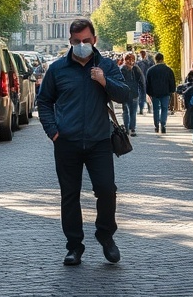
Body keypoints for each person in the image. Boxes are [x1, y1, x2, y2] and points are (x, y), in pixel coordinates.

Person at [37, 18, 130, 266]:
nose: (81, 45)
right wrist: (53, 131)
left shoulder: (107, 65)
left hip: (100, 141)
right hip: (67, 141)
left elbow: (124, 95)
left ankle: (105, 234)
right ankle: (74, 246)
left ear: (94, 40)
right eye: (76, 41)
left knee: (107, 190)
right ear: (70, 41)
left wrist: (104, 80)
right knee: (70, 195)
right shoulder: (57, 69)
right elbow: (44, 101)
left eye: (86, 41)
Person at [145, 53, 176, 134]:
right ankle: (163, 124)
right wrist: (172, 91)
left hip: (154, 93)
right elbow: (172, 81)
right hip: (165, 92)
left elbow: (147, 83)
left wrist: (148, 93)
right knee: (164, 108)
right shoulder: (168, 70)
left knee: (155, 109)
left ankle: (156, 125)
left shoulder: (150, 70)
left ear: (155, 60)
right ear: (163, 59)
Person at [119, 52, 145, 137]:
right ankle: (131, 129)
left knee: (128, 112)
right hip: (131, 94)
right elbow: (141, 81)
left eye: (131, 59)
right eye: (129, 59)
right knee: (130, 112)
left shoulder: (122, 69)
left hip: (127, 93)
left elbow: (118, 82)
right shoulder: (134, 69)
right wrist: (143, 92)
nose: (130, 61)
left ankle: (129, 129)